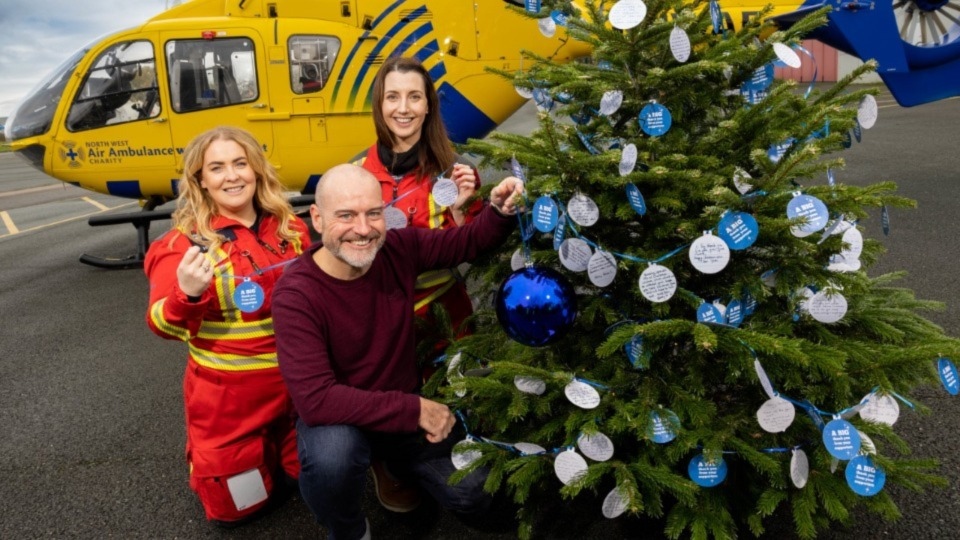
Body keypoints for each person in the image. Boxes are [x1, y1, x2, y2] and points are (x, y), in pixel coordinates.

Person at [272, 164, 523, 540]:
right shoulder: (296, 294)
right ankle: (348, 530)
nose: (362, 228)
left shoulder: (398, 248)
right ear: (317, 219)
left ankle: (393, 466)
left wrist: (500, 211)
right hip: (342, 421)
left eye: (373, 213)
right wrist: (415, 410)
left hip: (400, 408)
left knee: (479, 496)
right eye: (346, 215)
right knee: (332, 461)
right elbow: (316, 399)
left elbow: (466, 243)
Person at [144, 126, 311, 527]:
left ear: (256, 169)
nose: (232, 176)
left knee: (323, 477)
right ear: (200, 179)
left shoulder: (292, 229)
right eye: (216, 168)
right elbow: (160, 324)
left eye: (240, 163)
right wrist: (186, 294)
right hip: (229, 408)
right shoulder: (181, 246)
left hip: (299, 393)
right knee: (236, 509)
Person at [353, 56, 483, 359]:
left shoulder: (458, 170)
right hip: (379, 328)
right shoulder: (355, 173)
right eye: (392, 97)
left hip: (448, 327)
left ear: (428, 106)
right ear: (379, 106)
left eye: (414, 97)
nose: (403, 108)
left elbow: (480, 256)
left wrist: (464, 213)